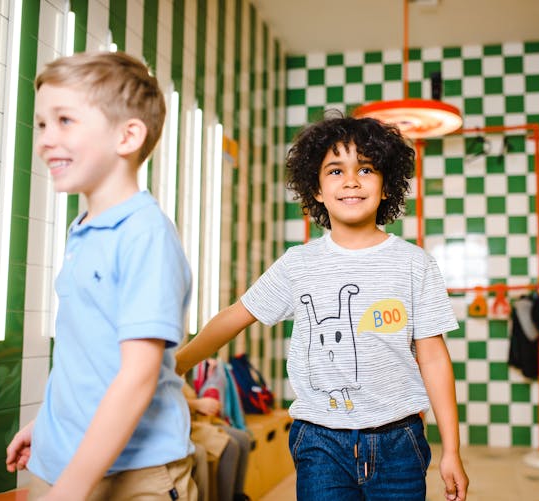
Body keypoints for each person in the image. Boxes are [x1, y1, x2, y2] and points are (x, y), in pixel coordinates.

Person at [176, 113, 469, 501]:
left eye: (365, 168)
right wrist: (175, 363)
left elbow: (433, 357)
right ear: (315, 189)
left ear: (386, 187)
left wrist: (452, 450)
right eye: (335, 170)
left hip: (399, 440)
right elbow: (236, 315)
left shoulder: (415, 264)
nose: (350, 180)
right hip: (319, 441)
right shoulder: (298, 264)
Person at [5, 51, 196, 501]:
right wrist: (49, 425)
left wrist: (70, 488)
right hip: (64, 461)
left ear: (128, 136)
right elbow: (86, 355)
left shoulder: (144, 235)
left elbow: (136, 379)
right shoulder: (84, 230)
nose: (46, 140)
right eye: (42, 124)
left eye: (65, 121)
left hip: (136, 476)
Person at [183, 359, 251, 501]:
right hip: (187, 424)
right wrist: (197, 404)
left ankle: (237, 496)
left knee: (244, 439)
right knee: (230, 445)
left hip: (196, 419)